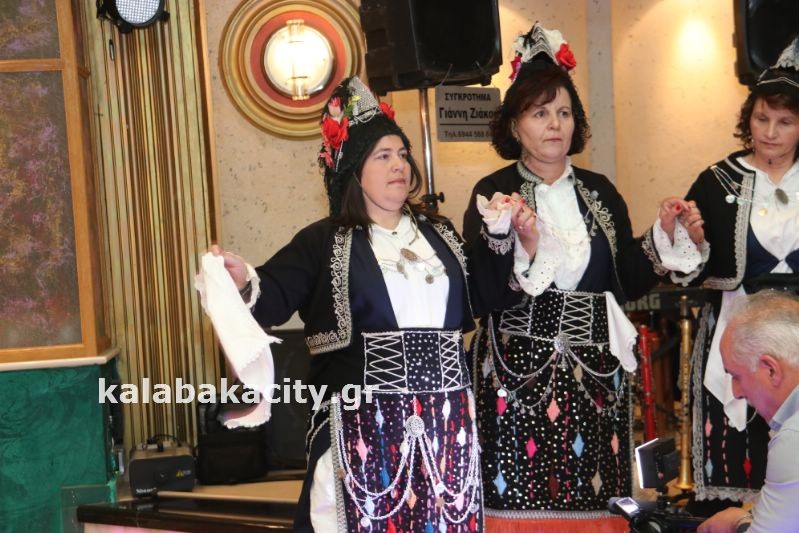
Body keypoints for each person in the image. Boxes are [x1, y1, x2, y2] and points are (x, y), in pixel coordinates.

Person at [205, 77, 483, 532]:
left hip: (445, 425)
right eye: (383, 156)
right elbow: (271, 294)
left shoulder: (441, 234)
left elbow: (486, 295)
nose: (399, 164)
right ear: (354, 170)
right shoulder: (324, 241)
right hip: (363, 428)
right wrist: (241, 280)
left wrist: (512, 241)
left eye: (402, 154)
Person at [462, 23, 707, 531]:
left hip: (596, 374)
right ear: (515, 126)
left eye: (564, 112)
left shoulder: (600, 192)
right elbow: (481, 291)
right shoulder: (494, 193)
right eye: (540, 113)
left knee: (597, 496)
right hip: (518, 373)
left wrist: (663, 236)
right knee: (522, 493)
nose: (555, 124)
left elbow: (624, 281)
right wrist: (508, 239)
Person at [674, 35, 799, 512]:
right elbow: (687, 269)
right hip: (740, 330)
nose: (770, 132)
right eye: (761, 118)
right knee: (740, 446)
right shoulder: (716, 180)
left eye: (785, 122)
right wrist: (692, 239)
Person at [696, 291, 799, 533]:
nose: (736, 392)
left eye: (736, 376)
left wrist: (739, 522)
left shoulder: (793, 437)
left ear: (771, 369)